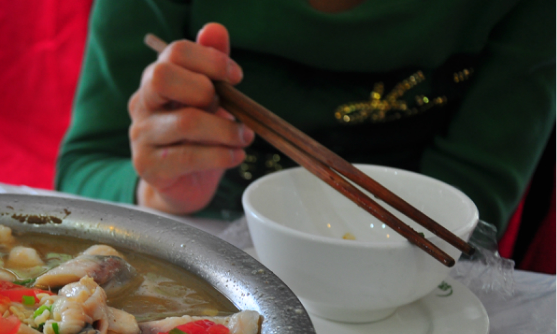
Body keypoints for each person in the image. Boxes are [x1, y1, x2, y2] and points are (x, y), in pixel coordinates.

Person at [55, 0, 555, 236]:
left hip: (402, 276)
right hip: (205, 250)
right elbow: (84, 168)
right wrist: (160, 191)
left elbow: (470, 214)